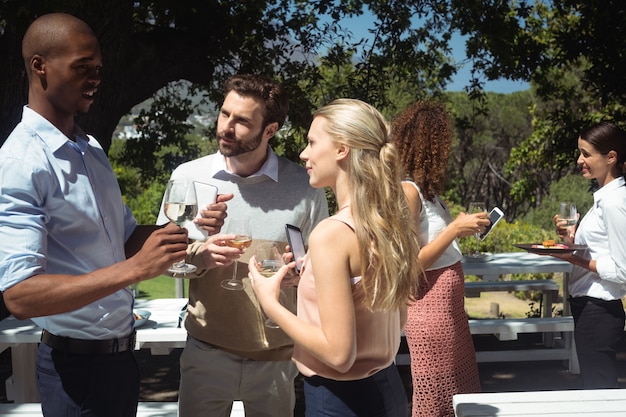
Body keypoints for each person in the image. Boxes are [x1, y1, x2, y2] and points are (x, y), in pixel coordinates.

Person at [0, 13, 224, 417]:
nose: (95, 78)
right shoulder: (21, 162)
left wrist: (186, 230)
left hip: (119, 363)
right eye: (82, 66)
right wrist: (136, 270)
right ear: (40, 66)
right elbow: (19, 295)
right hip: (74, 372)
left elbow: (123, 238)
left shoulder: (90, 149)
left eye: (98, 69)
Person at [156, 74, 329, 417]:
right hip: (206, 349)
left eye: (242, 121)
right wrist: (202, 254)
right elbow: (161, 260)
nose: (226, 127)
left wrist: (300, 274)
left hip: (276, 354)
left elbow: (322, 269)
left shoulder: (305, 186)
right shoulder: (188, 177)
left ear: (270, 130)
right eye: (224, 114)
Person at [248, 98, 421, 417]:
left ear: (342, 149)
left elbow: (339, 354)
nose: (304, 154)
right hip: (388, 391)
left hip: (341, 400)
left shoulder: (331, 234)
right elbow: (393, 318)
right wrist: (312, 276)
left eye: (312, 142)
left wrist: (269, 301)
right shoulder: (388, 224)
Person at [392, 101, 485, 417]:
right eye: (442, 142)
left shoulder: (428, 192)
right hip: (430, 309)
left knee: (461, 395)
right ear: (428, 145)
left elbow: (437, 245)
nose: (445, 151)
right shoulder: (408, 191)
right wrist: (455, 229)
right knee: (437, 399)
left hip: (450, 309)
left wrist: (460, 228)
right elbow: (409, 261)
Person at [551, 121, 626, 389]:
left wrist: (573, 258)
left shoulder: (615, 202)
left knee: (601, 394)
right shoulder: (604, 199)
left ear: (611, 157)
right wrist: (569, 241)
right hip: (589, 308)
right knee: (596, 390)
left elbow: (622, 270)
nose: (580, 160)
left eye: (586, 154)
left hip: (600, 310)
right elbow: (601, 249)